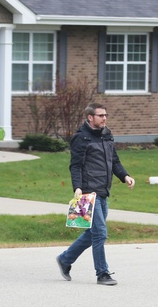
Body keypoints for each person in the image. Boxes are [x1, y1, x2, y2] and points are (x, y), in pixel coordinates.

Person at [56, 102, 135, 285]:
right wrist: (77, 187)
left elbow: (114, 161)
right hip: (89, 193)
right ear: (90, 117)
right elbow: (75, 165)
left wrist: (125, 176)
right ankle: (102, 273)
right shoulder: (81, 138)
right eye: (100, 115)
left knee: (92, 234)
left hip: (103, 190)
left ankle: (65, 259)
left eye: (105, 115)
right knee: (100, 233)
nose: (104, 118)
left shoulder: (107, 136)